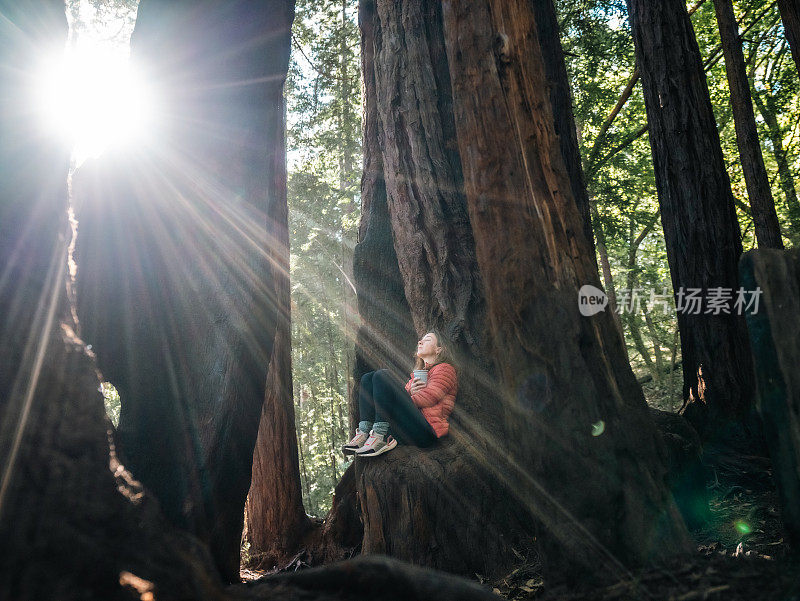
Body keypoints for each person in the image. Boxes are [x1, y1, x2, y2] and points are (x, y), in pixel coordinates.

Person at [342, 330, 458, 457]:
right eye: (421, 339)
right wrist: (408, 392)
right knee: (367, 378)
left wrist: (406, 396)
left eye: (427, 340)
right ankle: (364, 434)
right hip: (409, 427)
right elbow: (398, 397)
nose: (420, 342)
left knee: (383, 375)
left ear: (439, 349)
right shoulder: (417, 374)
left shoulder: (445, 369)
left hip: (427, 432)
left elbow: (431, 397)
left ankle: (379, 436)